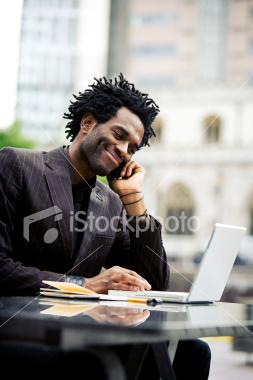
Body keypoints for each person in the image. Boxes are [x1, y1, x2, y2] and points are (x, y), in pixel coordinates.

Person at [0, 74, 210, 378]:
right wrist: (84, 286)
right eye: (119, 134)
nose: (125, 149)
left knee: (192, 351)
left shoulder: (109, 203)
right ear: (87, 123)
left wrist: (133, 200)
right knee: (91, 363)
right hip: (16, 328)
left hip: (76, 331)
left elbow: (153, 284)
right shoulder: (17, 164)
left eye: (133, 148)